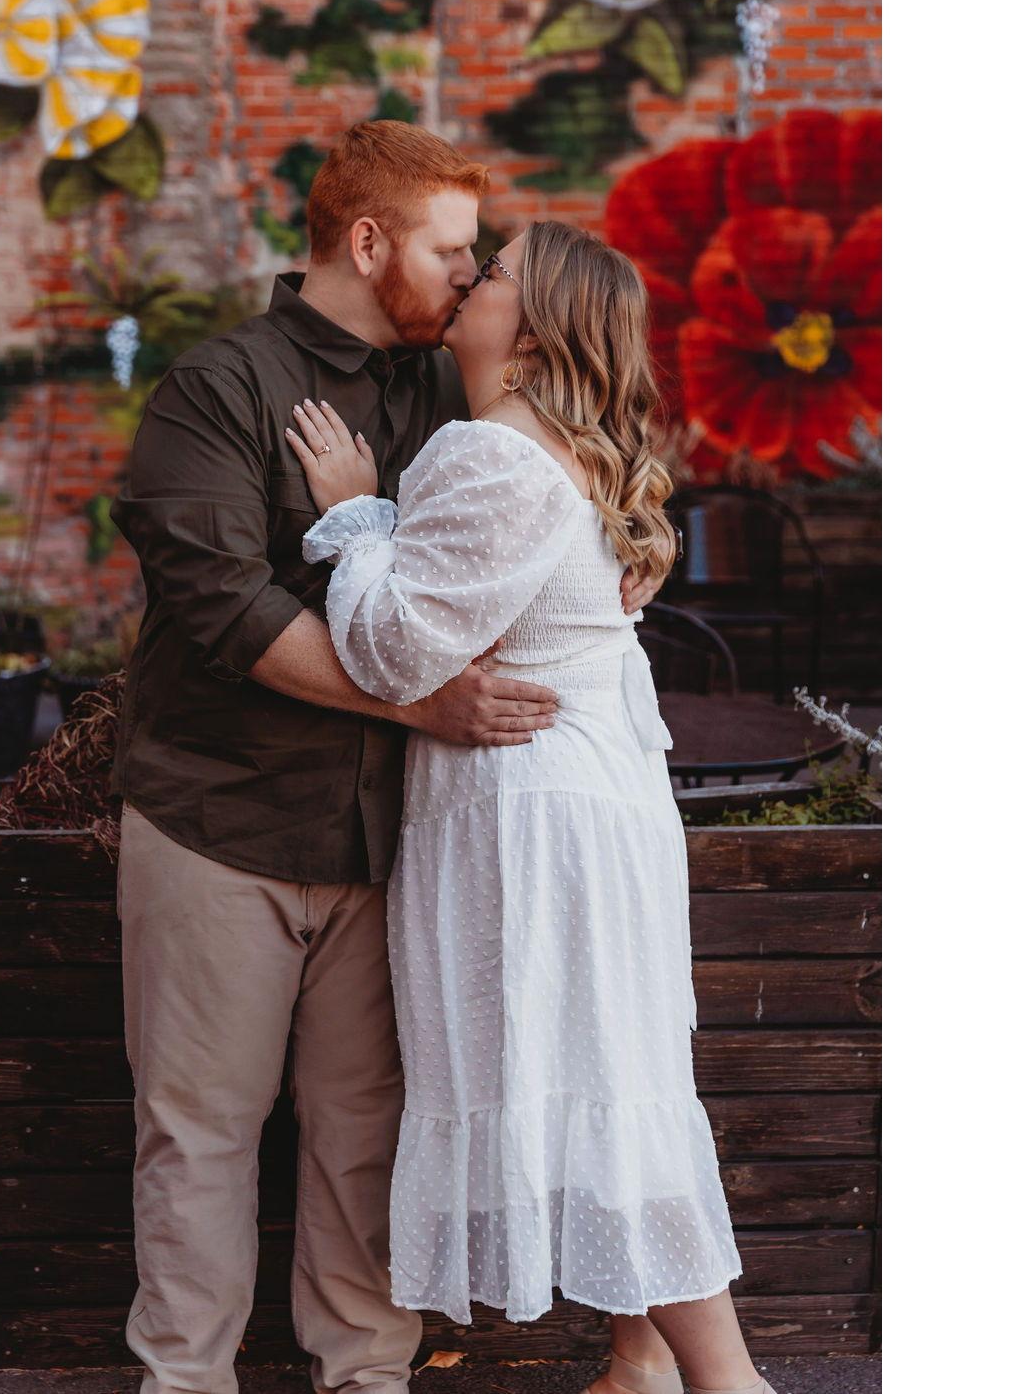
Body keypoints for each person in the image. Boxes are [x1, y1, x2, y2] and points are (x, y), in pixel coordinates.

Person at [108, 123, 658, 1394]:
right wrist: (421, 708)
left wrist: (627, 528)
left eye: (478, 260)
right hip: (219, 819)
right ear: (367, 242)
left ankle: (365, 1376)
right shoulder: (217, 387)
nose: (471, 277)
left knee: (368, 1135)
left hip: (391, 843)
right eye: (452, 249)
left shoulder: (441, 383)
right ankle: (182, 1379)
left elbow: (573, 424)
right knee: (197, 1132)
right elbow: (220, 600)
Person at [286, 221, 775, 1394]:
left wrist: (358, 515)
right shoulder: (580, 450)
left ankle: (727, 1380)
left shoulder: (488, 453)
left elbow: (396, 645)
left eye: (491, 271)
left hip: (528, 815)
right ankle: (637, 1360)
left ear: (537, 321)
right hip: (599, 797)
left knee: (593, 1082)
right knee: (611, 1070)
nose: (467, 278)